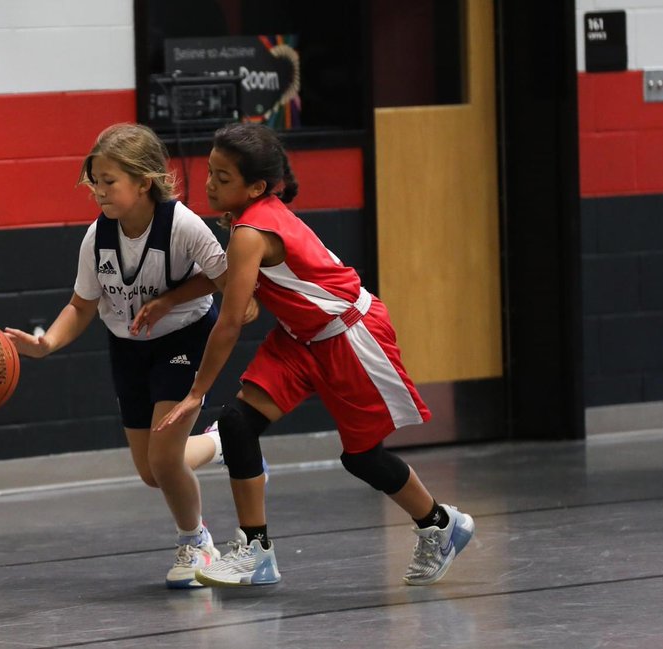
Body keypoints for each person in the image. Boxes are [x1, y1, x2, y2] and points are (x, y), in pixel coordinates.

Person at [156, 122, 475, 588]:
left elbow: (229, 322)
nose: (209, 184)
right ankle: (256, 549)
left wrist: (196, 392)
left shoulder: (251, 229)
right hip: (300, 337)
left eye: (223, 178)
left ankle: (440, 525)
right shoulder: (251, 218)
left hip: (350, 336)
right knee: (238, 423)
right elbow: (235, 283)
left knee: (362, 457)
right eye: (211, 172)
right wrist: (175, 300)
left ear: (256, 187)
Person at [3, 123, 254, 589]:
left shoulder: (182, 226)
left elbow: (229, 283)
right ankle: (222, 442)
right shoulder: (96, 238)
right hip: (128, 347)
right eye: (94, 180)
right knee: (151, 472)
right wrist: (45, 345)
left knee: (164, 458)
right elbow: (81, 306)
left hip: (183, 339)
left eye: (109, 180)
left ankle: (195, 540)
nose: (99, 190)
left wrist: (170, 300)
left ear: (145, 181)